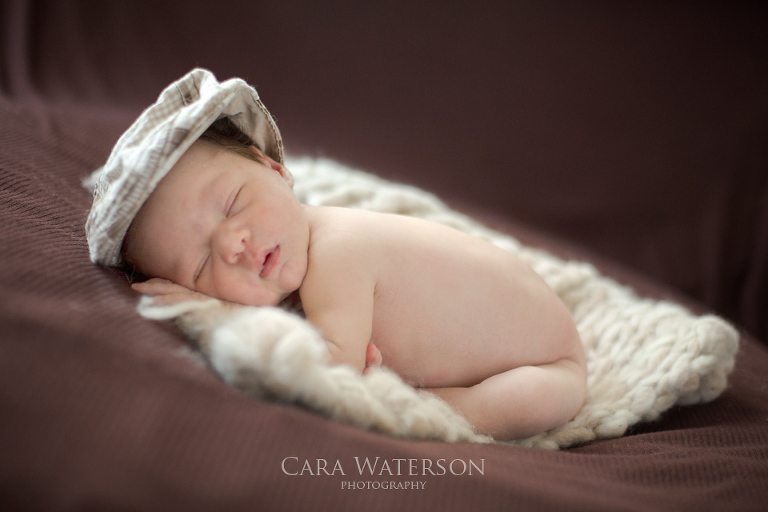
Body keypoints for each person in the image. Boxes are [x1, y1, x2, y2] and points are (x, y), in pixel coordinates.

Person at [86, 69, 586, 441]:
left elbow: (332, 368)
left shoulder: (337, 250)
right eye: (199, 266)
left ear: (275, 168)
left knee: (506, 407)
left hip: (547, 363)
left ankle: (447, 407)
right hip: (518, 320)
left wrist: (209, 305)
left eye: (233, 203)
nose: (232, 244)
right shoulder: (299, 253)